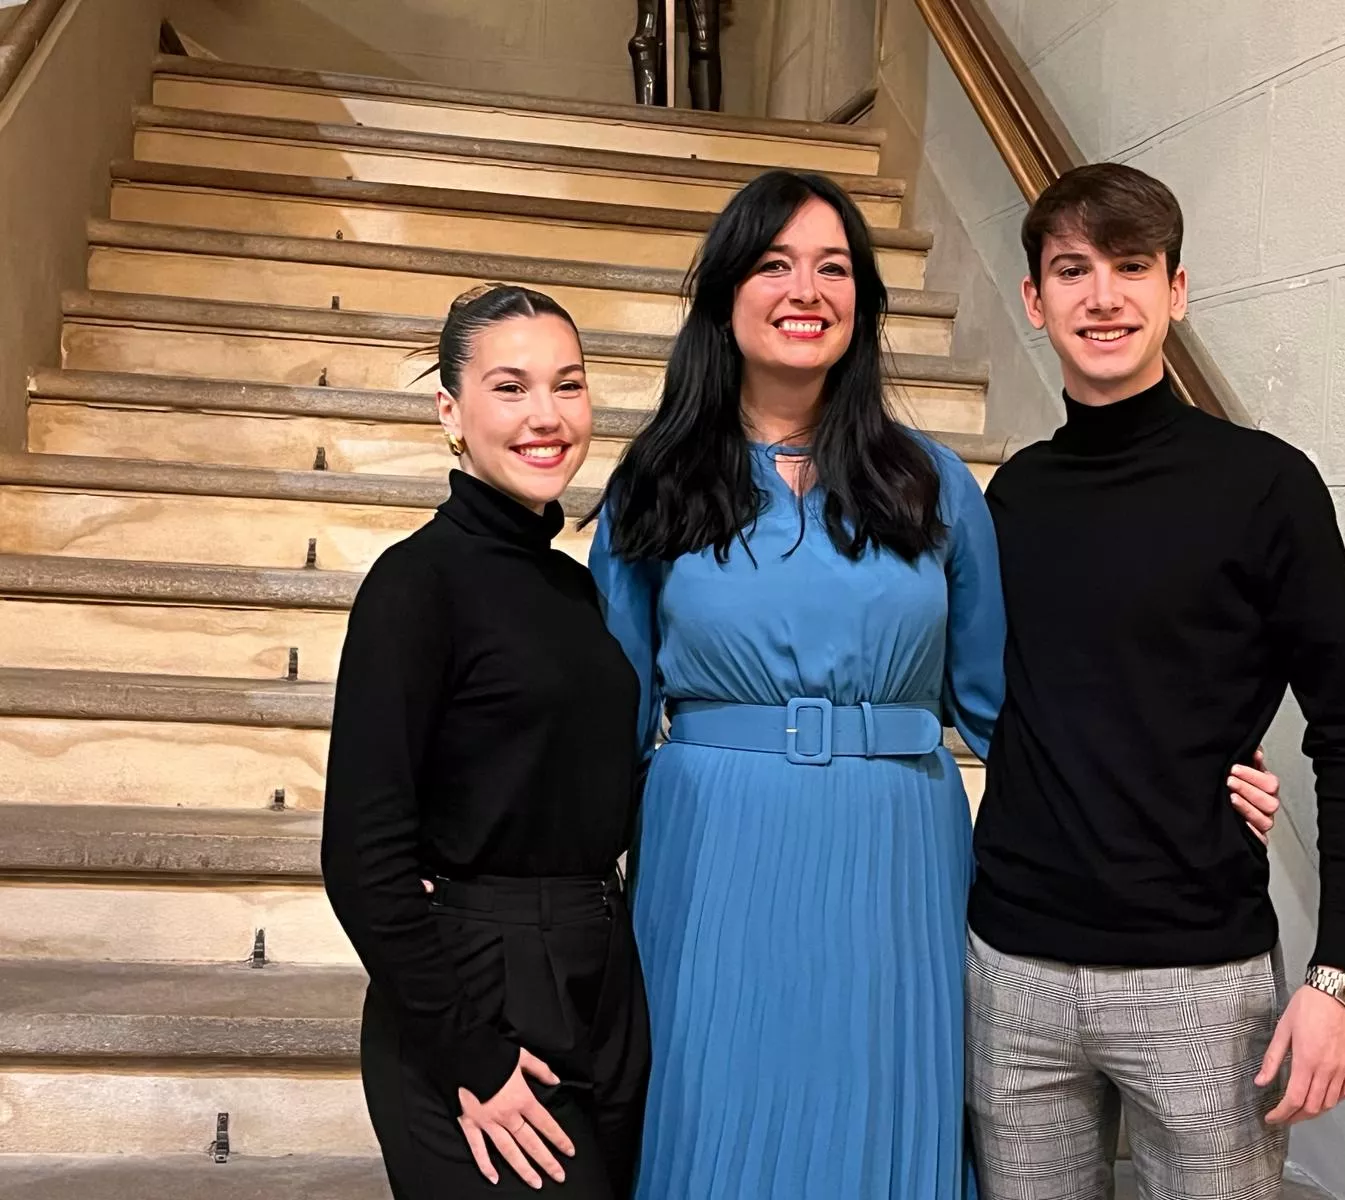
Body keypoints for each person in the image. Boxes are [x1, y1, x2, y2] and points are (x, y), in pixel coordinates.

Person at [584, 170, 1283, 1200]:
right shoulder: (653, 484)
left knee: (883, 1121)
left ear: (863, 302)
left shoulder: (932, 483)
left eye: (833, 268)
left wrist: (1182, 769)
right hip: (714, 848)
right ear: (725, 295)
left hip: (897, 853)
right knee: (716, 1119)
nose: (805, 290)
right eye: (774, 264)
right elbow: (602, 720)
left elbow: (1011, 706)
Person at [966, 163, 1345, 1200]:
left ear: (1176, 290)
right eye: (1072, 269)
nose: (1102, 296)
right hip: (1013, 968)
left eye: (1131, 266)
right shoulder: (1014, 496)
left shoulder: (1266, 486)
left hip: (1198, 980)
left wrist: (1341, 974)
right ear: (1034, 299)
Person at [322, 285, 650, 1200]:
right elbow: (361, 858)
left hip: (600, 978)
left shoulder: (574, 590)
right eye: (510, 388)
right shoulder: (414, 586)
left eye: (568, 385)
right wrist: (469, 1052)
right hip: (476, 999)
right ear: (450, 412)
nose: (547, 416)